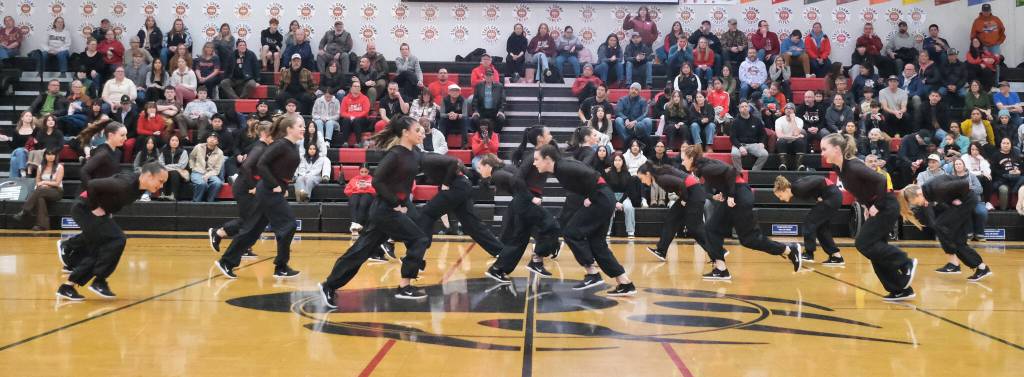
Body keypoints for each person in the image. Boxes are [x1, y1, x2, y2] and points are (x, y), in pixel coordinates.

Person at [319, 116, 431, 306]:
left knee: (361, 250)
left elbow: (430, 162)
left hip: (393, 209)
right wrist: (395, 202)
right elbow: (377, 181)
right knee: (419, 238)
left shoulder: (414, 153)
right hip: (385, 210)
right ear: (405, 133)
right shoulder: (394, 154)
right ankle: (405, 286)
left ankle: (329, 285)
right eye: (418, 130)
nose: (422, 133)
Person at [683, 145, 803, 280]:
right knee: (711, 228)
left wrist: (731, 195)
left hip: (740, 197)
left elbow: (732, 171)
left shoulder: (706, 167)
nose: (682, 162)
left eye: (683, 159)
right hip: (738, 194)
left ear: (691, 158)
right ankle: (721, 269)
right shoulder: (704, 166)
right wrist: (724, 192)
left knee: (749, 239)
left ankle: (788, 249)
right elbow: (725, 177)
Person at [822, 133, 918, 300]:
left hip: (886, 206)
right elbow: (862, 188)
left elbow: (881, 180)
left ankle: (904, 261)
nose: (821, 153)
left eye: (824, 149)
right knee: (875, 251)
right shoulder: (839, 168)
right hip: (878, 207)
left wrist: (877, 205)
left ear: (837, 149)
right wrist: (868, 206)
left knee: (863, 243)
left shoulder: (853, 166)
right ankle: (899, 289)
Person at [531, 144, 636, 295]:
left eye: (536, 159)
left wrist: (593, 196)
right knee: (597, 244)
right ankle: (625, 283)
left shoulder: (563, 168)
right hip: (603, 198)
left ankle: (592, 274)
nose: (534, 163)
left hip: (601, 199)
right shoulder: (561, 168)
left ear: (547, 159)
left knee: (571, 233)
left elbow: (591, 174)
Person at [55, 163, 168, 300]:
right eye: (160, 181)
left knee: (102, 247)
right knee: (117, 239)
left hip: (94, 211)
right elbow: (92, 185)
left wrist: (107, 211)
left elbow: (112, 198)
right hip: (84, 209)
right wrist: (94, 207)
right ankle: (98, 279)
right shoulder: (124, 183)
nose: (161, 186)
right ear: (149, 175)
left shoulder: (139, 187)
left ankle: (68, 286)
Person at [216, 115, 305, 279]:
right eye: (300, 125)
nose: (303, 128)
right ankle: (281, 266)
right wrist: (275, 185)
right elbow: (261, 164)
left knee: (252, 230)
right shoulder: (280, 145)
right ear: (289, 129)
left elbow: (281, 171)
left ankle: (227, 261)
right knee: (289, 224)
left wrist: (283, 186)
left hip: (271, 190)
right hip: (268, 191)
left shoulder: (293, 146)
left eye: (303, 126)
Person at [486, 126, 562, 284]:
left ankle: (497, 269)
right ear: (540, 138)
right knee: (553, 226)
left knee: (519, 240)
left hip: (524, 200)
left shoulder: (543, 154)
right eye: (549, 133)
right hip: (526, 200)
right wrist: (530, 197)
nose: (552, 135)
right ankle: (537, 260)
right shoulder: (533, 156)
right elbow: (516, 180)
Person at [900, 175, 993, 282]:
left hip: (966, 202)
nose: (916, 204)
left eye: (915, 202)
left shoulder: (936, 188)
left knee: (940, 225)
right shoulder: (928, 190)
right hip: (961, 203)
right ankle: (982, 267)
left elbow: (964, 183)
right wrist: (952, 199)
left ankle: (953, 259)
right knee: (957, 240)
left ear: (918, 194)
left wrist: (960, 198)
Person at [416, 153, 504, 257]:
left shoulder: (426, 158)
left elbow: (454, 161)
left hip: (456, 187)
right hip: (462, 186)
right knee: (472, 225)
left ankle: (417, 255)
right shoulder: (419, 162)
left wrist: (446, 183)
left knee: (427, 213)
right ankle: (500, 251)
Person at [208, 122, 271, 255]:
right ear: (265, 134)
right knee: (248, 219)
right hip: (244, 187)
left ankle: (244, 246)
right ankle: (218, 232)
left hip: (247, 186)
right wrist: (253, 186)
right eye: (274, 132)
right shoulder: (259, 148)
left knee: (253, 219)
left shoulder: (260, 146)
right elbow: (245, 167)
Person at [773, 175, 845, 265]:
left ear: (785, 189)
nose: (780, 199)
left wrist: (823, 194)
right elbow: (814, 185)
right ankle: (836, 257)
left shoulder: (797, 188)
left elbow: (820, 179)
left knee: (809, 222)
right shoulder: (797, 189)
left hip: (831, 197)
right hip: (832, 196)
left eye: (780, 196)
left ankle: (808, 253)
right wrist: (819, 196)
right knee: (821, 229)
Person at [11, 148, 64, 230]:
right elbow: (38, 181)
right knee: (40, 198)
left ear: (55, 156)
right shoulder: (40, 167)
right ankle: (43, 225)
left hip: (57, 191)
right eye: (48, 154)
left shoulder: (59, 167)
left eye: (53, 154)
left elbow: (57, 183)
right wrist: (41, 185)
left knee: (40, 191)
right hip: (42, 190)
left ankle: (25, 211)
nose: (50, 156)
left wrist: (44, 183)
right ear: (45, 156)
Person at [604, 153, 636, 239]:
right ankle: (607, 231)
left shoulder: (627, 174)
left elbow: (628, 190)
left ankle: (630, 231)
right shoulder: (609, 174)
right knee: (608, 208)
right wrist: (615, 202)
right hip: (611, 197)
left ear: (623, 162)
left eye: (619, 160)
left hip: (624, 197)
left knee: (629, 208)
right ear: (613, 162)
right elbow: (608, 190)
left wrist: (620, 202)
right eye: (616, 160)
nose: (617, 162)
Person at [730, 101, 769, 171]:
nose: (744, 108)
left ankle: (754, 171)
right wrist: (740, 147)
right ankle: (740, 172)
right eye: (742, 107)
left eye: (746, 106)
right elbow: (733, 138)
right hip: (740, 144)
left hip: (753, 144)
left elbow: (763, 134)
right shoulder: (735, 122)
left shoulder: (757, 120)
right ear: (739, 109)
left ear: (749, 108)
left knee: (764, 154)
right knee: (735, 154)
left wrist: (762, 143)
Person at [614, 83, 652, 148]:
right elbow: (618, 111)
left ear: (639, 92)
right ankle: (628, 142)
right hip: (626, 124)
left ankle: (645, 144)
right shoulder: (622, 99)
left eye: (636, 89)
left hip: (638, 125)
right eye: (632, 89)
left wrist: (635, 121)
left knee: (648, 121)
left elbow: (645, 114)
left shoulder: (643, 101)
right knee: (618, 120)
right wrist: (625, 119)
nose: (633, 91)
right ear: (629, 89)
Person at [188, 133, 224, 202]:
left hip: (210, 173)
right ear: (207, 139)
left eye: (214, 139)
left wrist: (208, 175)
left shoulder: (220, 153)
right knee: (202, 183)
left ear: (217, 142)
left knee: (217, 183)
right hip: (197, 171)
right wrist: (192, 167)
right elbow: (191, 157)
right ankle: (196, 201)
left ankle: (209, 201)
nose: (212, 139)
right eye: (210, 137)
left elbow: (217, 170)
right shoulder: (199, 147)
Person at [991, 137, 1022, 210]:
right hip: (1003, 179)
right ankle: (1004, 210)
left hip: (1015, 178)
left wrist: (1019, 171)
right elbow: (994, 170)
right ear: (1000, 144)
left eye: (1008, 143)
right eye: (1004, 143)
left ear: (1011, 145)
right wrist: (1008, 172)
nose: (1006, 145)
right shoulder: (996, 155)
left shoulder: (1015, 154)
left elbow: (1021, 167)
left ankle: (1014, 189)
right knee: (1004, 189)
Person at [343, 164, 375, 235]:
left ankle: (358, 224)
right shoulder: (354, 179)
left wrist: (367, 188)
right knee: (353, 202)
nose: (363, 174)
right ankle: (354, 224)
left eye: (365, 172)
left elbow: (376, 191)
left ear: (368, 171)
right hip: (356, 194)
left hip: (368, 194)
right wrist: (357, 188)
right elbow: (346, 191)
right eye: (362, 172)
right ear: (359, 171)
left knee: (363, 202)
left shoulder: (372, 179)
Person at [339, 81, 371, 147]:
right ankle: (344, 142)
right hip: (349, 120)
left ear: (360, 88)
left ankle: (358, 142)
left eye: (358, 86)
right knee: (345, 120)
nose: (356, 88)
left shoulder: (365, 98)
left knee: (357, 120)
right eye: (355, 86)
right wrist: (351, 117)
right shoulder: (345, 98)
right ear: (351, 88)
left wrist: (355, 117)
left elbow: (366, 111)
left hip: (361, 120)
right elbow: (342, 112)